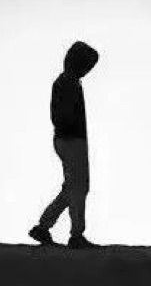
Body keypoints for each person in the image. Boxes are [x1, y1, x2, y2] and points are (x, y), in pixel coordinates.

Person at [29, 41, 101, 249]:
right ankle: (76, 235)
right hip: (71, 141)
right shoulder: (67, 83)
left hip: (70, 140)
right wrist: (71, 132)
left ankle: (43, 227)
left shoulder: (68, 82)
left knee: (72, 188)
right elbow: (62, 117)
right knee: (78, 188)